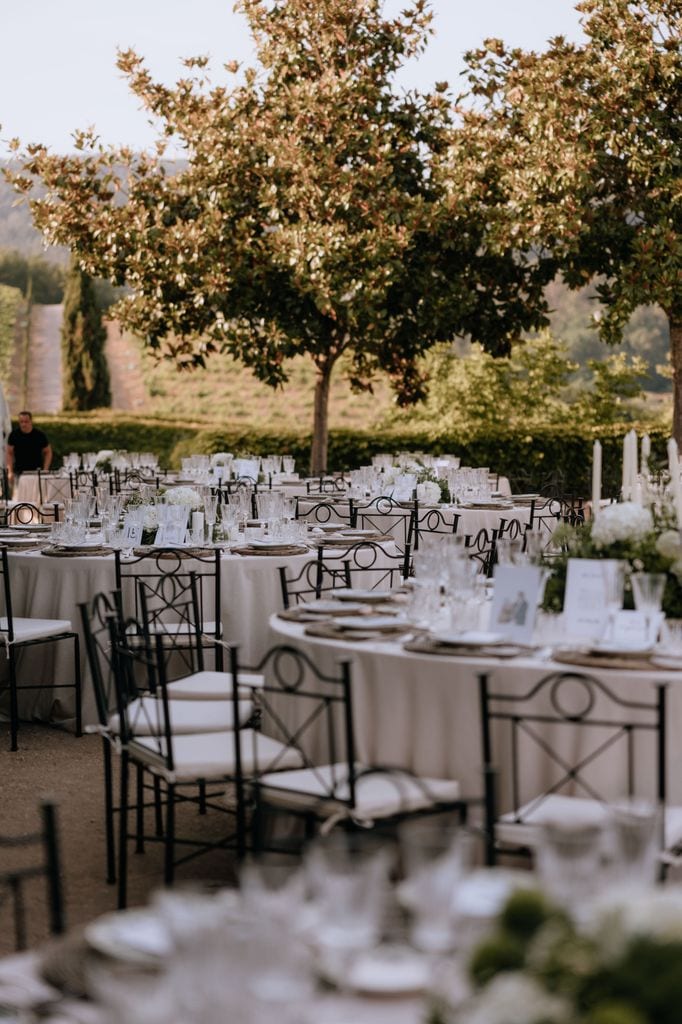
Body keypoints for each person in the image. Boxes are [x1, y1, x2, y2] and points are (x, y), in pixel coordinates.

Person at [6, 411, 52, 490]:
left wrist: (45, 469)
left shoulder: (39, 435)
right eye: (21, 422)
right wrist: (10, 472)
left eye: (26, 421)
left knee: (36, 499)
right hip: (19, 473)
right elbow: (9, 453)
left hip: (36, 473)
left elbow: (48, 452)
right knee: (19, 499)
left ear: (31, 421)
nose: (23, 424)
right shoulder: (14, 435)